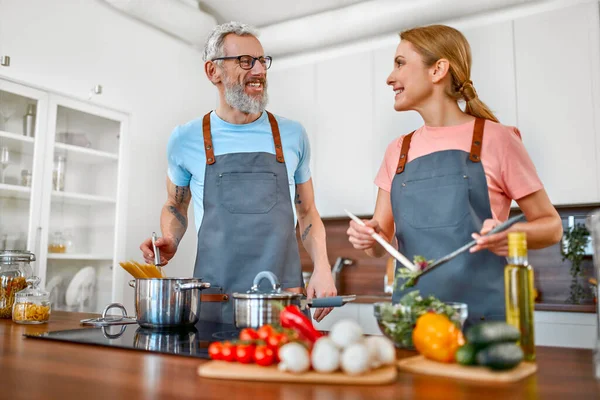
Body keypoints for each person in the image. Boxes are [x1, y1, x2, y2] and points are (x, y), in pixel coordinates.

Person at [346, 24, 563, 325]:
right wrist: (368, 238)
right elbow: (379, 240)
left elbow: (552, 227)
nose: (390, 77)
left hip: (484, 326)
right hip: (414, 324)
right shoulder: (397, 150)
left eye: (400, 63)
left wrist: (515, 236)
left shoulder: (498, 139)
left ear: (438, 70)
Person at [140, 21, 336, 324]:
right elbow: (175, 204)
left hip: (282, 300)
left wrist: (322, 267)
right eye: (245, 61)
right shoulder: (185, 138)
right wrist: (169, 239)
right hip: (215, 301)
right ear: (213, 71)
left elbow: (307, 211)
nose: (258, 70)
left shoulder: (293, 135)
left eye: (261, 61)